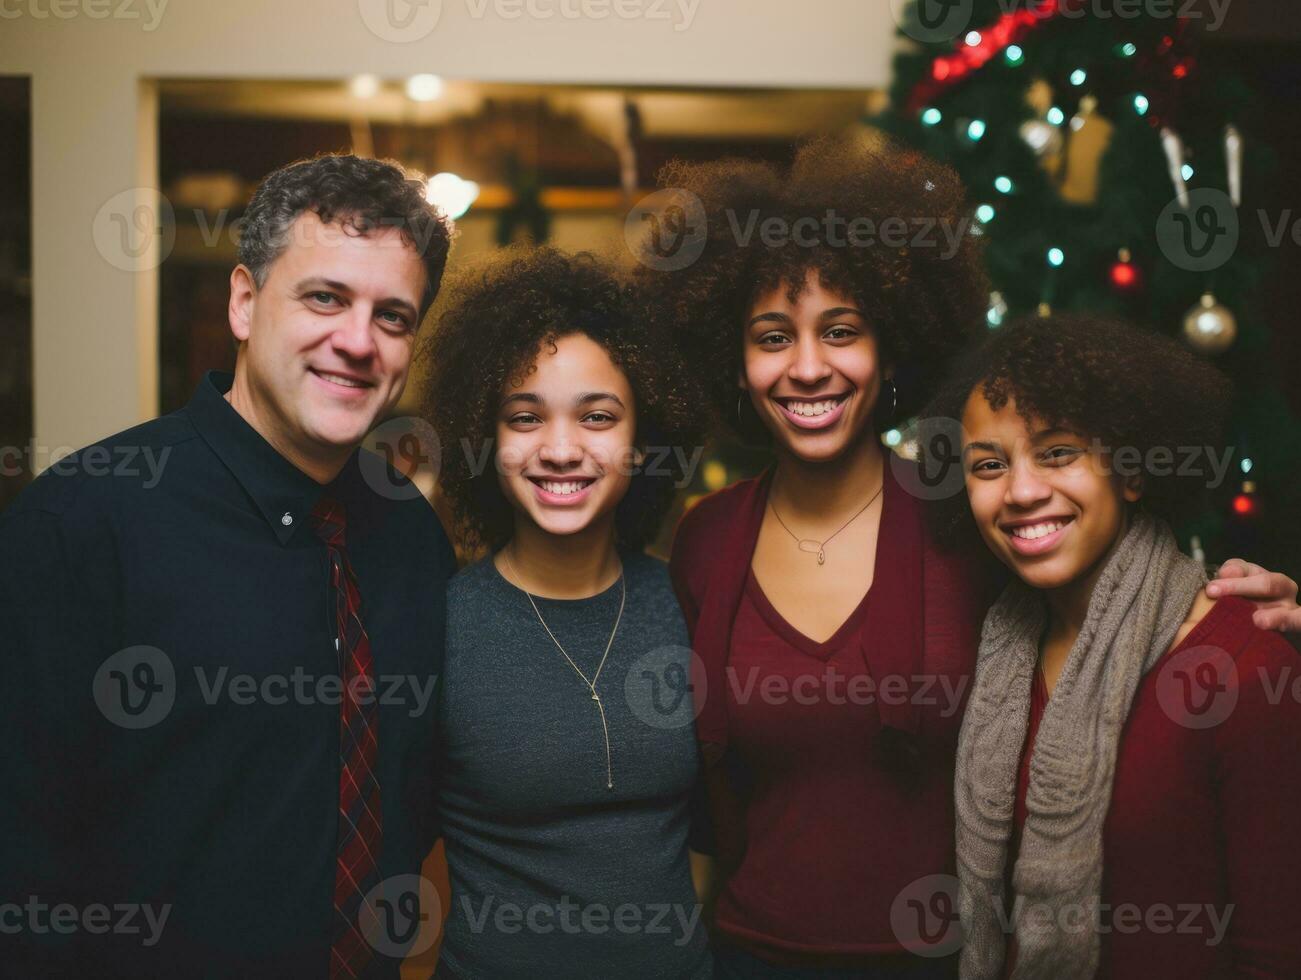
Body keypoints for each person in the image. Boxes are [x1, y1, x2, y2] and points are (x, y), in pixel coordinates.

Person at [645, 136, 1301, 978]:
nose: (808, 367)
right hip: (747, 953)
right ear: (733, 361)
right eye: (773, 337)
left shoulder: (972, 513)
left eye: (840, 331)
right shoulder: (706, 540)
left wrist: (1258, 608)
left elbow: (1118, 602)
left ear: (889, 349)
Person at [0, 154, 456, 978]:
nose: (357, 341)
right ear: (245, 302)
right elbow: (22, 847)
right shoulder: (82, 523)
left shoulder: (413, 536)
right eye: (324, 297)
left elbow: (410, 803)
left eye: (393, 317)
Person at [942, 314, 1301, 979]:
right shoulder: (988, 657)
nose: (1020, 492)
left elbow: (1278, 951)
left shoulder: (1243, 669)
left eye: (1056, 452)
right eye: (989, 465)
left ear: (1130, 472)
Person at [419, 246, 713, 979]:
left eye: (597, 417)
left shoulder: (691, 602)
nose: (559, 449)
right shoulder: (438, 626)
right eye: (525, 417)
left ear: (641, 443)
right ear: (487, 441)